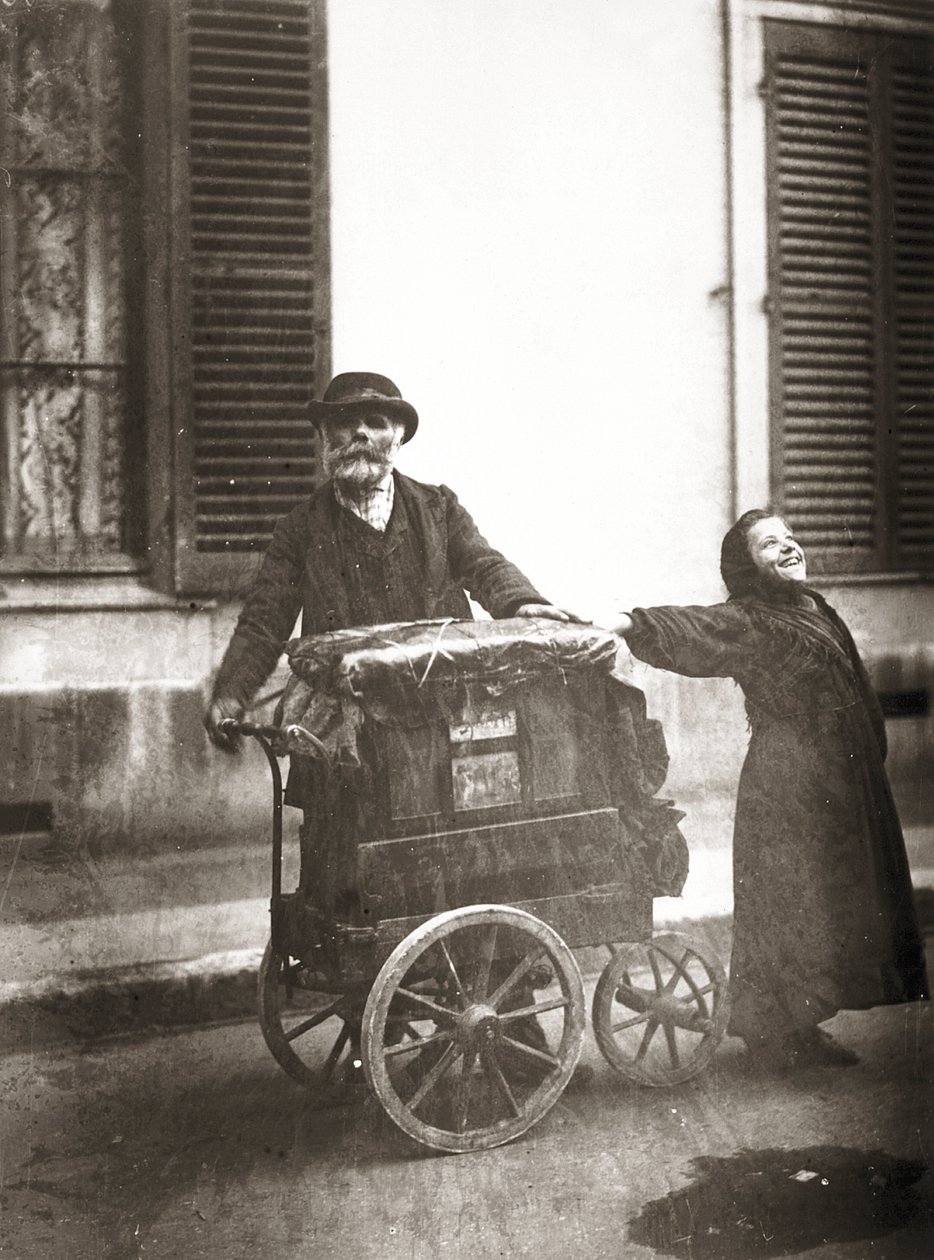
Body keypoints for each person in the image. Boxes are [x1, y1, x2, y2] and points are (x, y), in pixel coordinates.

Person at [609, 508, 929, 1071]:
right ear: (747, 569)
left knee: (829, 905)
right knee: (790, 907)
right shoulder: (751, 621)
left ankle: (803, 1027)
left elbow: (856, 684)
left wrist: (868, 764)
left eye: (788, 538)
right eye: (768, 546)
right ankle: (773, 1036)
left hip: (839, 781)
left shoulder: (816, 609)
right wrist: (628, 623)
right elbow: (695, 626)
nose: (787, 548)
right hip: (788, 788)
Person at [205, 370, 572, 751]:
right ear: (325, 436)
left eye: (375, 423)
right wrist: (231, 693)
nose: (360, 433)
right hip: (345, 727)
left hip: (439, 712)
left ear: (398, 438)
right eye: (346, 422)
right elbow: (265, 619)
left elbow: (484, 564)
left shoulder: (439, 510)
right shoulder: (299, 529)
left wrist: (523, 602)